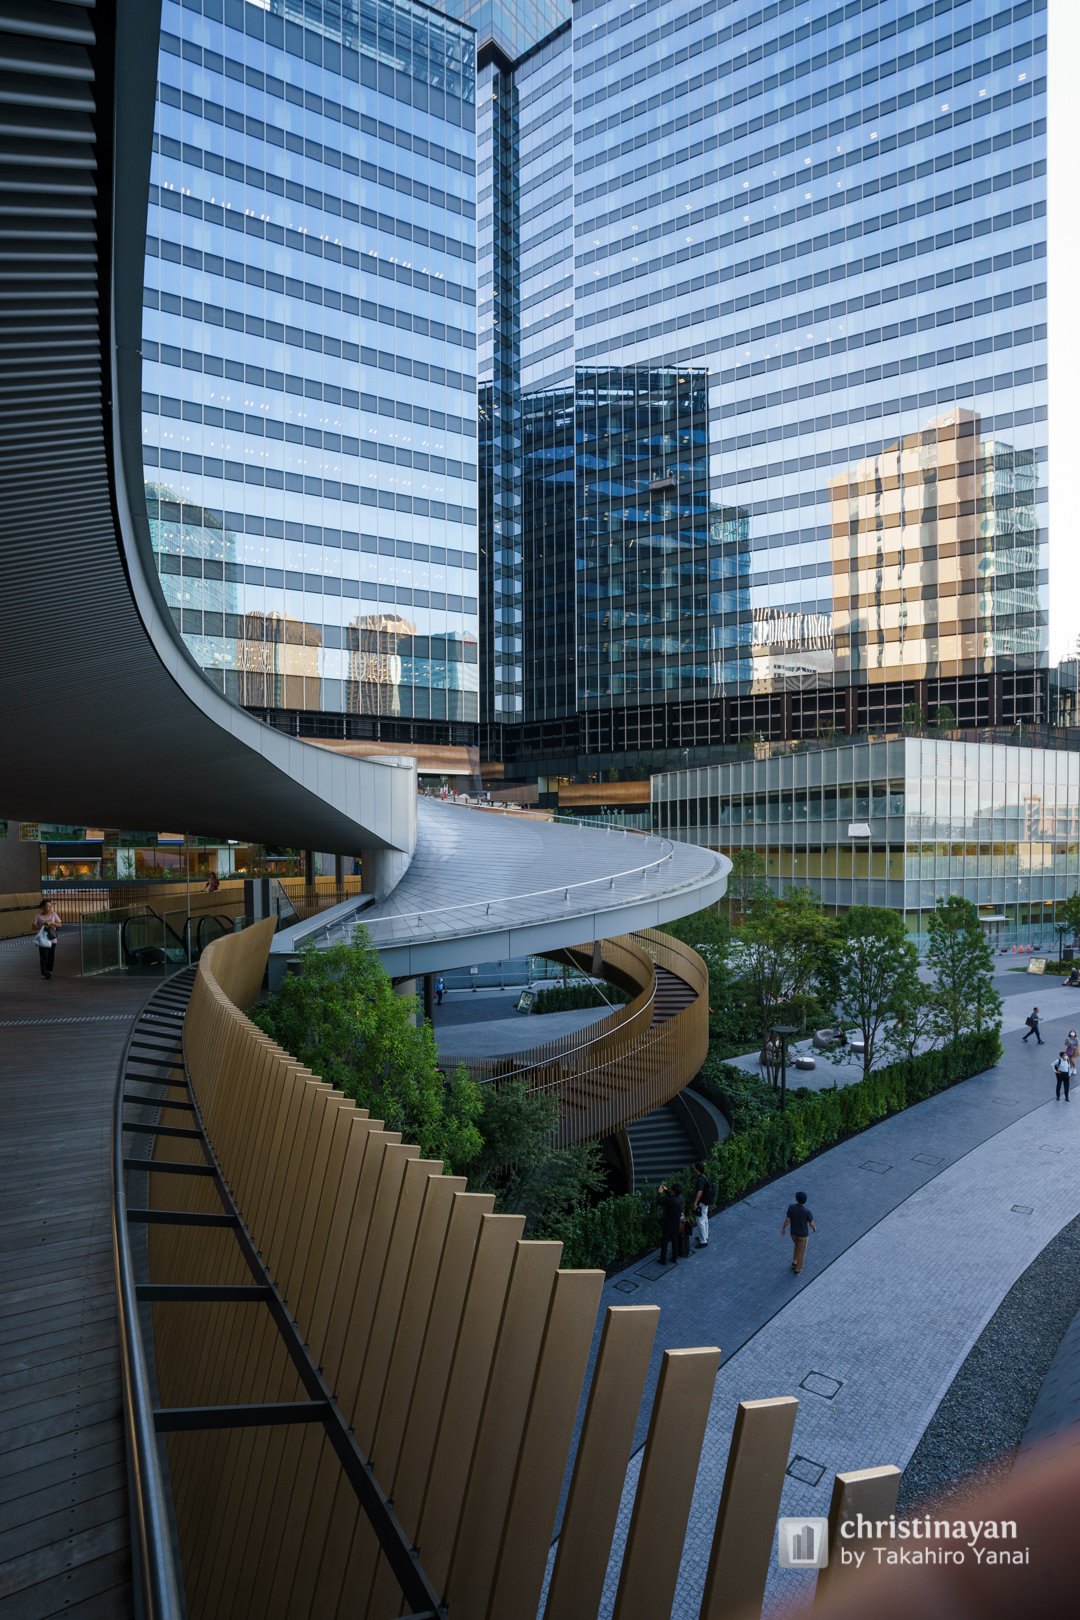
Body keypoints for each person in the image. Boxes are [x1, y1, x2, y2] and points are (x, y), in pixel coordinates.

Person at [781, 1190, 816, 1275]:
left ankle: (795, 1261)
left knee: (796, 1246)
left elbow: (787, 1219)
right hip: (803, 1235)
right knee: (802, 1251)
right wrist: (814, 1228)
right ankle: (798, 1269)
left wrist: (784, 1228)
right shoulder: (807, 1211)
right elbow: (811, 1222)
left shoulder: (791, 1207)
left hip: (793, 1233)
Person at [32, 898, 61, 980]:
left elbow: (59, 924)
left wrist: (51, 923)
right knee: (44, 956)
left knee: (51, 956)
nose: (50, 908)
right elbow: (33, 927)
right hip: (43, 939)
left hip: (52, 938)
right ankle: (43, 972)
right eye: (48, 906)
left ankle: (48, 971)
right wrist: (42, 926)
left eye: (50, 906)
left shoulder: (54, 914)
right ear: (42, 907)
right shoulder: (37, 916)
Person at [657, 1182, 683, 1266]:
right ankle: (674, 1257)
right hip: (676, 1221)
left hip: (669, 1222)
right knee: (675, 1239)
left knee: (665, 1241)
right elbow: (672, 1199)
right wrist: (667, 1191)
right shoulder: (679, 1198)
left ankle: (663, 1259)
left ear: (674, 1191)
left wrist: (659, 1193)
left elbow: (660, 1202)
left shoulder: (671, 1200)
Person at [691, 1161, 712, 1249]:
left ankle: (703, 1241)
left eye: (694, 1166)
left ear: (697, 1169)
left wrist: (695, 1202)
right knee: (704, 1219)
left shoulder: (700, 1179)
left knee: (700, 1221)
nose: (693, 1167)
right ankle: (704, 1237)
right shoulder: (704, 1176)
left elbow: (700, 1191)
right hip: (706, 1201)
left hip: (702, 1202)